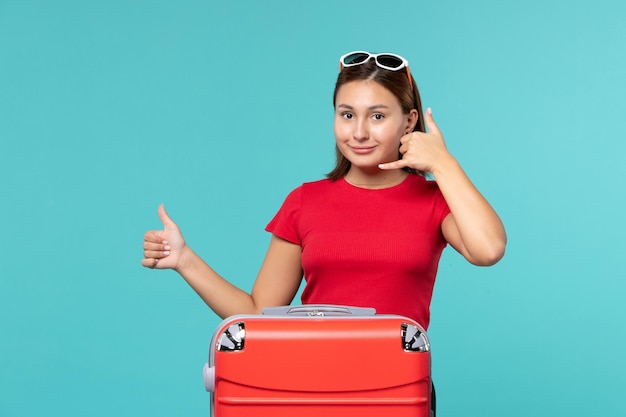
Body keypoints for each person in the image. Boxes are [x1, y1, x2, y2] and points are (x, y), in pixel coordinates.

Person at [141, 51, 506, 413]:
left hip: (396, 387)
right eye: (347, 115)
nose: (359, 132)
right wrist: (185, 260)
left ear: (409, 122)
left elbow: (488, 249)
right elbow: (255, 312)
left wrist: (443, 163)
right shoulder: (305, 201)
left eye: (377, 116)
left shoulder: (434, 201)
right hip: (308, 387)